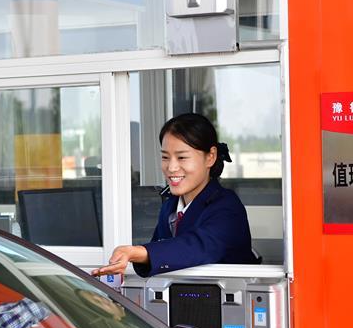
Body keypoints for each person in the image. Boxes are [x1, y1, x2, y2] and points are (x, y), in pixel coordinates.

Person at [93, 113, 257, 278]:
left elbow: (195, 247)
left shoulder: (227, 207)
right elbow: (163, 251)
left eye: (182, 157)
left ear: (210, 157)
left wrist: (135, 252)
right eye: (165, 157)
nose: (171, 168)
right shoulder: (170, 206)